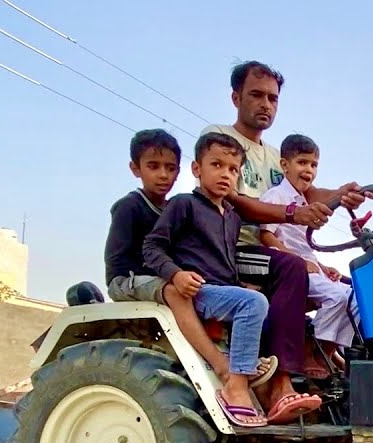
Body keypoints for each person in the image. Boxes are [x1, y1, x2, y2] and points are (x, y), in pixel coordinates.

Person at [201, 60, 371, 376]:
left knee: (361, 286)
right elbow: (234, 201)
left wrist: (342, 193)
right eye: (256, 95)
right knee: (292, 266)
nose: (265, 104)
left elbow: (307, 192)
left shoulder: (273, 154)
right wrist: (293, 214)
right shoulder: (221, 139)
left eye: (272, 98)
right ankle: (284, 375)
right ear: (236, 98)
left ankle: (339, 359)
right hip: (237, 251)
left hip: (271, 252)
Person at [143, 131, 321, 427]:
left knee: (275, 315)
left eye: (233, 169)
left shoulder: (231, 216)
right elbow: (152, 246)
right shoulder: (184, 204)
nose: (225, 174)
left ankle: (267, 387)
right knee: (253, 303)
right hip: (200, 289)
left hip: (224, 290)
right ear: (197, 169)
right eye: (217, 165)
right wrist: (176, 274)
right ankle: (235, 386)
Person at [102, 128, 275, 386]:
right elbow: (128, 255)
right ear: (135, 168)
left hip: (160, 274)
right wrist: (173, 272)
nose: (163, 175)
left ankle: (243, 361)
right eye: (153, 166)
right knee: (176, 291)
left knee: (245, 298)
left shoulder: (182, 208)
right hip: (129, 277)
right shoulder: (131, 206)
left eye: (170, 168)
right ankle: (220, 364)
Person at [259, 134, 359, 371]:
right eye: (302, 162)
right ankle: (307, 354)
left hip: (311, 267)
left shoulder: (305, 201)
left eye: (313, 165)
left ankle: (324, 352)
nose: (309, 170)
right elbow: (266, 236)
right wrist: (297, 262)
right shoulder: (276, 197)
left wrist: (324, 268)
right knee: (337, 298)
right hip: (288, 269)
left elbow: (305, 245)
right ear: (285, 165)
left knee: (357, 298)